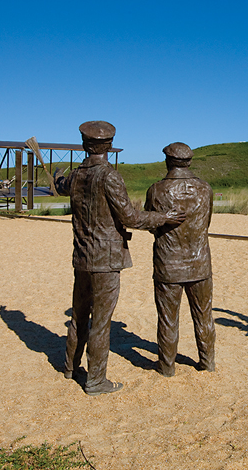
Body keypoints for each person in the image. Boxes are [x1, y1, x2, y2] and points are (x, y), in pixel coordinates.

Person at [54, 121, 185, 396]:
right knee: (101, 321)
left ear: (83, 145)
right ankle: (95, 380)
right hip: (106, 260)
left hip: (82, 256)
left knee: (79, 315)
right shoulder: (109, 176)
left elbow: (62, 185)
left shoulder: (77, 176)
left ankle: (70, 366)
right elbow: (131, 217)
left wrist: (56, 178)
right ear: (110, 146)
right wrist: (164, 218)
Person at [145, 142, 215, 377]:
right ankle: (207, 362)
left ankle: (167, 366)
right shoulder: (205, 189)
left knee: (168, 318)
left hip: (169, 264)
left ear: (168, 161)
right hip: (199, 263)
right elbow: (206, 223)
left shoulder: (156, 190)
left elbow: (151, 224)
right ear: (189, 162)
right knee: (204, 314)